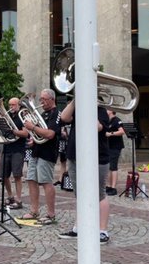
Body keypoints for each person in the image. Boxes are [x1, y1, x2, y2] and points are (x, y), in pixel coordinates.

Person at [58, 90, 112, 243]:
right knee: (79, 194)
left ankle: (102, 230)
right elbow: (64, 117)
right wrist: (76, 100)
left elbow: (96, 127)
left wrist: (90, 107)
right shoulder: (77, 108)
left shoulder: (101, 111)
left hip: (97, 157)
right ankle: (79, 228)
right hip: (75, 155)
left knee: (99, 193)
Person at [20, 88, 60, 224]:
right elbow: (39, 133)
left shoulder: (56, 113)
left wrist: (32, 128)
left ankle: (51, 214)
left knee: (46, 182)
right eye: (40, 99)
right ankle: (34, 210)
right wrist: (33, 139)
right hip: (36, 151)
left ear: (52, 99)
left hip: (48, 153)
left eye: (44, 99)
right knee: (31, 179)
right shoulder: (42, 114)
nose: (41, 102)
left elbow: (50, 134)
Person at [104, 110, 125, 196]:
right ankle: (109, 186)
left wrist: (111, 133)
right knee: (109, 167)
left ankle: (113, 187)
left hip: (115, 147)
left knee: (113, 166)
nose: (106, 110)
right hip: (108, 146)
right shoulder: (107, 120)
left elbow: (122, 131)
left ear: (112, 111)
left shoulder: (116, 120)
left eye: (108, 109)